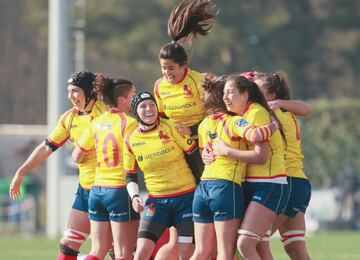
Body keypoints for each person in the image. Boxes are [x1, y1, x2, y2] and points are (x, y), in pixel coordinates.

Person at [8, 71, 107, 260]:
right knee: (68, 244)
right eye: (69, 92)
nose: (71, 96)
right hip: (86, 190)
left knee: (109, 250)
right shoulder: (69, 119)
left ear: (89, 92)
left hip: (109, 189)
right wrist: (21, 172)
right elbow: (47, 147)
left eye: (76, 91)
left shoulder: (106, 113)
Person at [153, 0, 218, 257]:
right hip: (176, 150)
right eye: (163, 68)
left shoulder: (200, 81)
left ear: (184, 66)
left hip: (201, 147)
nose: (167, 73)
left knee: (207, 194)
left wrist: (190, 128)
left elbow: (214, 115)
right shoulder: (160, 86)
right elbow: (159, 116)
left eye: (171, 68)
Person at [191, 77, 280, 260]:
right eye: (224, 94)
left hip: (202, 189)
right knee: (226, 253)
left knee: (201, 252)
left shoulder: (203, 124)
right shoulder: (233, 122)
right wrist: (274, 125)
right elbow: (256, 134)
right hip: (225, 188)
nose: (227, 98)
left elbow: (203, 153)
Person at [123, 92, 197, 260]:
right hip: (156, 202)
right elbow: (130, 176)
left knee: (185, 253)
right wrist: (134, 196)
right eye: (143, 106)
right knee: (141, 251)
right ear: (135, 111)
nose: (149, 109)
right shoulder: (131, 139)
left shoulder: (171, 126)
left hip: (186, 199)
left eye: (152, 104)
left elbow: (193, 154)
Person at [74, 74, 139, 260]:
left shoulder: (97, 122)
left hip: (97, 190)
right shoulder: (130, 123)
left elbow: (77, 155)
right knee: (124, 253)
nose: (135, 98)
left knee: (97, 251)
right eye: (133, 95)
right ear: (122, 99)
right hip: (119, 190)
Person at [254, 72, 312, 260]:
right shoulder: (284, 111)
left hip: (287, 183)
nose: (252, 91)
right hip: (299, 183)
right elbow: (306, 108)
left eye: (257, 89)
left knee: (253, 242)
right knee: (296, 249)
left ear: (271, 96)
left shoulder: (269, 114)